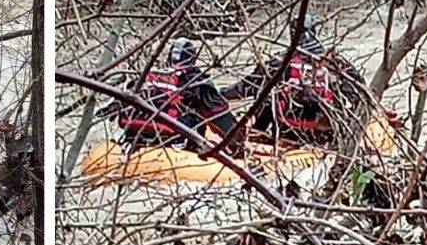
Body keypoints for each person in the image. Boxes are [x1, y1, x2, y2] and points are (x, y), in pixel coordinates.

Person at [224, 15, 364, 146]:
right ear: (314, 32)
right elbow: (361, 95)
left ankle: (258, 135)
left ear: (292, 34)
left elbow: (245, 88)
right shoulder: (336, 63)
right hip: (326, 136)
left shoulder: (278, 62)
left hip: (288, 134)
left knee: (267, 92)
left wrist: (219, 95)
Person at [116, 37, 239, 153]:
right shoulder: (195, 80)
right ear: (192, 59)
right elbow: (219, 116)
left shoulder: (150, 76)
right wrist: (238, 145)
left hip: (135, 139)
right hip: (175, 145)